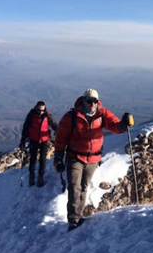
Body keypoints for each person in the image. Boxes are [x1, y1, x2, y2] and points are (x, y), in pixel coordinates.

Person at [54, 89, 134, 231]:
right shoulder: (72, 116)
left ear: (98, 102)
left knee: (84, 187)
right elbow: (61, 137)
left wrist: (123, 124)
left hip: (93, 158)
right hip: (75, 157)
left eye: (94, 101)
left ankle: (78, 215)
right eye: (89, 101)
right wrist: (59, 157)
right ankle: (73, 220)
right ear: (83, 101)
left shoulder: (102, 114)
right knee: (74, 187)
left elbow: (114, 126)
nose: (92, 104)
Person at [20, 101, 58, 187]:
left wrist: (59, 131)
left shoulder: (47, 115)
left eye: (42, 110)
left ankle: (40, 177)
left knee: (42, 159)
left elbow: (54, 125)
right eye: (39, 110)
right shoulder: (31, 115)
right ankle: (31, 176)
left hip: (44, 140)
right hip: (33, 139)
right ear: (36, 108)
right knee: (33, 158)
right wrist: (23, 140)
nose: (41, 112)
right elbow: (26, 127)